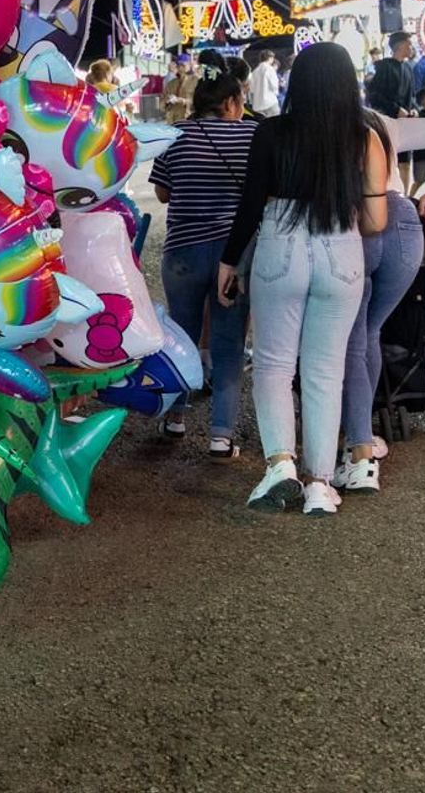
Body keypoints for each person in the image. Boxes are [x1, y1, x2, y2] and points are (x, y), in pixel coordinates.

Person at [219, 43, 390, 516]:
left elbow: (250, 205)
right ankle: (319, 484)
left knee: (274, 366)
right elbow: (376, 220)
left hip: (281, 244)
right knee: (325, 371)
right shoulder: (365, 138)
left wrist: (229, 262)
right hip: (341, 247)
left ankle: (280, 467)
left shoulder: (270, 131)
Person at [337, 112, 425, 491]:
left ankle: (358, 449)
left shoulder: (323, 119)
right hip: (405, 224)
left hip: (357, 220)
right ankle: (361, 433)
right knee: (369, 333)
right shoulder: (381, 122)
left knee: (353, 338)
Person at [150, 52, 256, 458]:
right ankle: (221, 436)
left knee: (182, 336)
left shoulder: (176, 135)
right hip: (234, 254)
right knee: (229, 342)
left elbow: (162, 193)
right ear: (229, 102)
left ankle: (175, 418)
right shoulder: (251, 136)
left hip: (183, 251)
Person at [367, 31, 419, 185]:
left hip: (405, 122)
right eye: (409, 45)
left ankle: (405, 194)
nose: (412, 48)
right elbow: (374, 95)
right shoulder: (384, 67)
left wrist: (414, 108)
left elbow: (412, 94)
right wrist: (395, 109)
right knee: (387, 160)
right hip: (387, 120)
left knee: (405, 162)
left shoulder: (408, 68)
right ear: (400, 46)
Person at [248, 49, 281, 117]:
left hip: (258, 104)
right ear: (270, 58)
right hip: (270, 102)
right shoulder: (270, 69)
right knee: (276, 120)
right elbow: (274, 85)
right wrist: (276, 93)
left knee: (262, 121)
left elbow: (252, 89)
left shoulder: (255, 71)